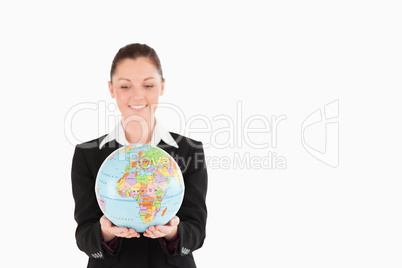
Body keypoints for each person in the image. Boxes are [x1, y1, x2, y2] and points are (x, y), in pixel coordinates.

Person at [71, 43, 208, 268]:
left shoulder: (189, 150)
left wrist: (173, 233)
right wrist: (105, 233)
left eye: (148, 85)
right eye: (125, 86)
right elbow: (84, 234)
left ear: (162, 86)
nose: (137, 96)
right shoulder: (87, 154)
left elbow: (197, 231)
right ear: (111, 88)